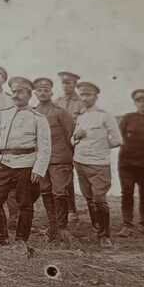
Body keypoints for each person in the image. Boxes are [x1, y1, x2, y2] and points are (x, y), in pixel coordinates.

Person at [0, 77, 50, 247]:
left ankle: (21, 238)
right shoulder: (3, 114)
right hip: (3, 162)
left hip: (26, 164)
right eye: (13, 91)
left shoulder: (38, 118)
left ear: (29, 94)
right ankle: (0, 234)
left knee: (25, 203)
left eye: (20, 92)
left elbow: (45, 147)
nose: (15, 95)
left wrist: (39, 169)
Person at [71, 81, 123, 246]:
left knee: (99, 199)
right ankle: (96, 226)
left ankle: (104, 235)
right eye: (82, 95)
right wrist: (76, 137)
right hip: (80, 161)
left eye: (88, 94)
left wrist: (99, 145)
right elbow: (72, 140)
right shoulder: (80, 116)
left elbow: (117, 140)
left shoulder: (104, 115)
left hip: (99, 163)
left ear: (96, 96)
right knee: (89, 198)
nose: (85, 98)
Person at [31, 77, 76, 241]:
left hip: (59, 159)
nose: (42, 93)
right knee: (45, 191)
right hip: (41, 161)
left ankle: (62, 228)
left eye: (46, 90)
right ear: (35, 93)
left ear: (51, 92)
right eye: (39, 90)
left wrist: (69, 158)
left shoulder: (60, 112)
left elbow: (70, 135)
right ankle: (53, 227)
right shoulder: (32, 112)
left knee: (59, 192)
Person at [117, 89, 144, 236]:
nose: (142, 103)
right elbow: (118, 137)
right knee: (127, 192)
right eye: (139, 100)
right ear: (135, 102)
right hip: (127, 163)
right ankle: (127, 225)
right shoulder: (128, 118)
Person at [55, 70, 89, 219]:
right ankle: (71, 210)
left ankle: (93, 207)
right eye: (63, 82)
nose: (65, 86)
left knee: (84, 174)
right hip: (62, 144)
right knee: (65, 175)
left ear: (75, 84)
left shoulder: (82, 102)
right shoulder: (57, 101)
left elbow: (86, 122)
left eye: (69, 83)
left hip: (79, 142)